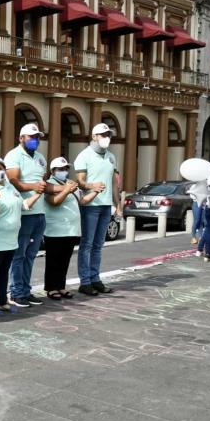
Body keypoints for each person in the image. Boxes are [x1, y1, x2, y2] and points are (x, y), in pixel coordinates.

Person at [0, 157, 42, 315]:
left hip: (11, 238)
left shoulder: (10, 187)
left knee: (4, 271)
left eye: (1, 168)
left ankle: (2, 301)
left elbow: (23, 205)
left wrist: (38, 194)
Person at [73, 122, 121, 296]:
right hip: (90, 205)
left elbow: (114, 183)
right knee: (87, 244)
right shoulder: (84, 155)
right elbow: (80, 182)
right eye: (103, 134)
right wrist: (91, 185)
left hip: (106, 205)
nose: (106, 138)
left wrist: (118, 205)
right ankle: (85, 281)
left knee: (98, 245)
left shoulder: (111, 156)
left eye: (108, 135)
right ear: (94, 136)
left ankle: (95, 278)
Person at [43, 157, 100, 299]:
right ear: (53, 171)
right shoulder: (50, 184)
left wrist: (96, 191)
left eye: (66, 169)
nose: (64, 171)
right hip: (55, 230)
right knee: (53, 260)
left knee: (64, 260)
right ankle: (51, 288)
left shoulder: (70, 183)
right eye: (60, 169)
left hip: (71, 229)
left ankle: (61, 286)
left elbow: (82, 200)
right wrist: (66, 190)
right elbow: (53, 202)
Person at [4, 123, 48, 308]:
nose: (35, 140)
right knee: (19, 254)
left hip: (40, 212)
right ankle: (15, 292)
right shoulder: (13, 155)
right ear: (21, 138)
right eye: (31, 137)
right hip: (23, 212)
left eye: (37, 137)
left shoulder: (40, 157)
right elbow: (14, 181)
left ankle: (26, 290)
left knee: (31, 254)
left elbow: (43, 181)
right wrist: (33, 187)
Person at [188, 179, 207, 245]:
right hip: (196, 203)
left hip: (204, 204)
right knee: (197, 220)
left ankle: (200, 236)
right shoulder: (194, 186)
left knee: (202, 221)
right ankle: (193, 237)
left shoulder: (206, 185)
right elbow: (191, 195)